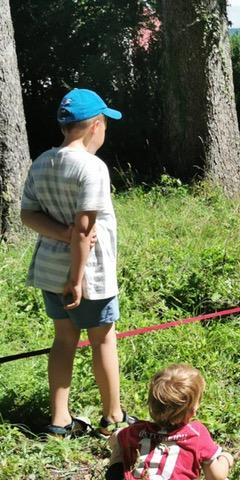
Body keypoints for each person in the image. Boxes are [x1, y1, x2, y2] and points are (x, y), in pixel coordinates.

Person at [21, 88, 134, 437]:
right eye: (105, 125)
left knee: (63, 339)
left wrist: (63, 234)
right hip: (88, 276)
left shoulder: (42, 162)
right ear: (95, 125)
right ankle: (113, 417)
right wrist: (77, 277)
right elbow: (85, 229)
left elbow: (28, 215)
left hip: (49, 271)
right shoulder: (92, 167)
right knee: (103, 339)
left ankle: (59, 420)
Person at [106, 364, 234, 480]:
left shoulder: (135, 430)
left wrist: (117, 441)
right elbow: (216, 476)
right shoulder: (197, 434)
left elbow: (114, 439)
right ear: (193, 411)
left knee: (119, 443)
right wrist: (226, 458)